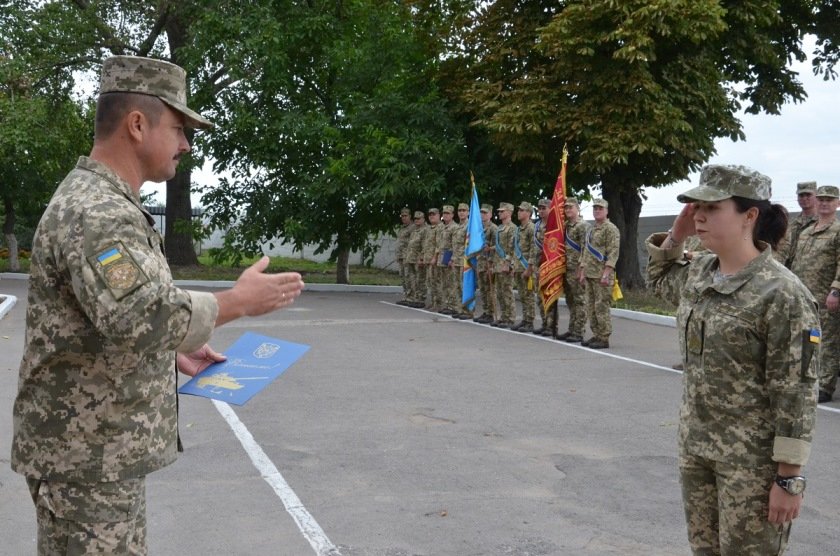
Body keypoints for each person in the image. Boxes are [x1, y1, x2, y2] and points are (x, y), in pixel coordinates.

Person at [11, 55, 306, 554]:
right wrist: (237, 302)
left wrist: (169, 351)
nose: (186, 144)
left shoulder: (104, 201)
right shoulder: (98, 212)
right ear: (137, 124)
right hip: (87, 463)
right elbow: (140, 313)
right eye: (178, 128)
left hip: (93, 456)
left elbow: (103, 317)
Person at [646, 164, 819, 556]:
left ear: (750, 215)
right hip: (698, 450)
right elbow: (657, 282)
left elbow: (796, 394)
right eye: (695, 206)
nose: (699, 216)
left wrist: (789, 479)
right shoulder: (702, 273)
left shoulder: (782, 293)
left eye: (712, 207)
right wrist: (676, 234)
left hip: (752, 466)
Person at [789, 185, 840, 403]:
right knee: (807, 339)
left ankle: (826, 386)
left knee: (827, 340)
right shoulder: (805, 232)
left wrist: (836, 290)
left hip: (825, 296)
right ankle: (808, 380)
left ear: (837, 203)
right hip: (803, 296)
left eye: (830, 199)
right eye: (821, 199)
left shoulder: (837, 231)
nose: (824, 203)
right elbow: (795, 261)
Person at [577, 198, 619, 349]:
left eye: (600, 208)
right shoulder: (591, 229)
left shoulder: (611, 229)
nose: (597, 211)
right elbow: (586, 251)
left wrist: (607, 272)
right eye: (595, 208)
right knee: (591, 306)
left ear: (606, 211)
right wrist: (582, 270)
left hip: (602, 274)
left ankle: (604, 337)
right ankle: (596, 334)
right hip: (590, 273)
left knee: (601, 306)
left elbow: (613, 252)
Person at [557, 198, 590, 343]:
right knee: (570, 301)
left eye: (571, 207)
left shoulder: (583, 226)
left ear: (578, 208)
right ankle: (572, 329)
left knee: (579, 301)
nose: (568, 210)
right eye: (566, 208)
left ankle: (579, 331)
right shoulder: (565, 226)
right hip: (566, 269)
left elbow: (586, 248)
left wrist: (581, 268)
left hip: (576, 269)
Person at [775, 181, 817, 267]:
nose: (804, 198)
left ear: (816, 196)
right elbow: (782, 251)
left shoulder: (823, 224)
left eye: (808, 195)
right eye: (801, 195)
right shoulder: (791, 225)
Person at [530, 199, 555, 336]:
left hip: (549, 266)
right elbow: (533, 248)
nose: (540, 211)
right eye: (539, 208)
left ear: (551, 209)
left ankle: (551, 325)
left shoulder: (554, 226)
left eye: (544, 208)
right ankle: (545, 323)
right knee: (540, 298)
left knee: (549, 297)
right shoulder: (537, 226)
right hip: (537, 267)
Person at [491, 202, 517, 328]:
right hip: (497, 264)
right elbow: (497, 247)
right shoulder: (500, 228)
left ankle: (510, 318)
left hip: (505, 264)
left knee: (507, 292)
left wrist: (509, 263)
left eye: (502, 211)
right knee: (500, 293)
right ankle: (503, 316)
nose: (500, 213)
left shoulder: (512, 228)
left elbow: (513, 248)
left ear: (509, 212)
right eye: (499, 211)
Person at [512, 202, 536, 332]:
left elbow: (533, 249)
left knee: (528, 296)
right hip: (518, 266)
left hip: (526, 267)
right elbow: (514, 249)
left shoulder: (531, 228)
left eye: (522, 210)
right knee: (522, 295)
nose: (519, 212)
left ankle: (530, 321)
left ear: (528, 213)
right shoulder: (518, 229)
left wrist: (530, 268)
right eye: (519, 210)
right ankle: (525, 319)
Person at [473, 204, 498, 324]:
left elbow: (497, 246)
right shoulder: (479, 228)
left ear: (491, 214)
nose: (483, 215)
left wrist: (492, 264)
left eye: (485, 213)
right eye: (481, 213)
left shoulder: (493, 228)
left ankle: (490, 313)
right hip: (481, 262)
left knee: (489, 290)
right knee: (483, 289)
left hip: (489, 262)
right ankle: (486, 311)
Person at [449, 203, 472, 319]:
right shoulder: (458, 226)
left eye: (464, 210)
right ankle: (459, 308)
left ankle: (467, 311)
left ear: (468, 212)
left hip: (465, 261)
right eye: (459, 210)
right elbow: (455, 245)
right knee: (457, 286)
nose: (461, 212)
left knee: (465, 286)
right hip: (456, 260)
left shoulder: (469, 226)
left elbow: (469, 245)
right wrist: (452, 259)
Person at [404, 210, 427, 308]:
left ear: (423, 219)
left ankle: (420, 299)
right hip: (411, 258)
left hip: (418, 259)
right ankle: (414, 297)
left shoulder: (425, 230)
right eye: (415, 219)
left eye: (419, 218)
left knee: (420, 279)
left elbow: (425, 246)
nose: (417, 220)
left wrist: (421, 258)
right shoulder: (414, 231)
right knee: (412, 279)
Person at [438, 205, 457, 315]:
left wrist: (452, 259)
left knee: (451, 283)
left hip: (450, 257)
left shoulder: (454, 227)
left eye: (448, 213)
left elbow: (454, 245)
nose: (445, 215)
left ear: (452, 215)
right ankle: (447, 304)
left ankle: (452, 305)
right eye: (444, 213)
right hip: (443, 257)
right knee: (445, 283)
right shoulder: (443, 227)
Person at [422, 207, 442, 310]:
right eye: (430, 215)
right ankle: (434, 302)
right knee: (430, 282)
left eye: (434, 214)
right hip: (428, 259)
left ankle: (438, 303)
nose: (432, 216)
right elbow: (425, 244)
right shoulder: (429, 228)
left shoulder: (440, 227)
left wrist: (435, 257)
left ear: (439, 215)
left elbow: (439, 245)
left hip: (435, 260)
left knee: (436, 282)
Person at [395, 207, 414, 305]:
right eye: (402, 216)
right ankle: (406, 295)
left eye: (406, 216)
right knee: (402, 276)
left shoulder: (413, 227)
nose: (404, 218)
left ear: (410, 216)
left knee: (408, 276)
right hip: (401, 256)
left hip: (408, 256)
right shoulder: (402, 228)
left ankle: (411, 297)